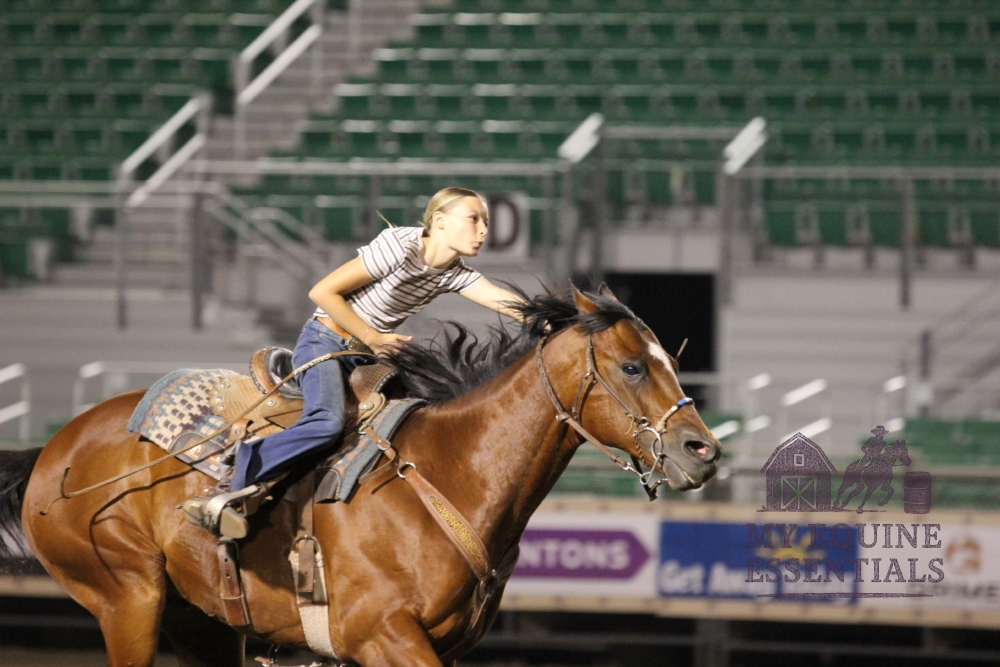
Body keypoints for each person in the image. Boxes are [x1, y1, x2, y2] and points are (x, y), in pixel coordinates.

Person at [182, 187, 525, 537]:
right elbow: (322, 292)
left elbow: (504, 301)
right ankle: (236, 474)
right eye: (474, 219)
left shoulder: (453, 273)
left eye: (485, 222)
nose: (484, 230)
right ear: (439, 221)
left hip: (366, 357)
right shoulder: (400, 246)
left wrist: (550, 320)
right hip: (325, 341)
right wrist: (373, 337)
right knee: (327, 422)